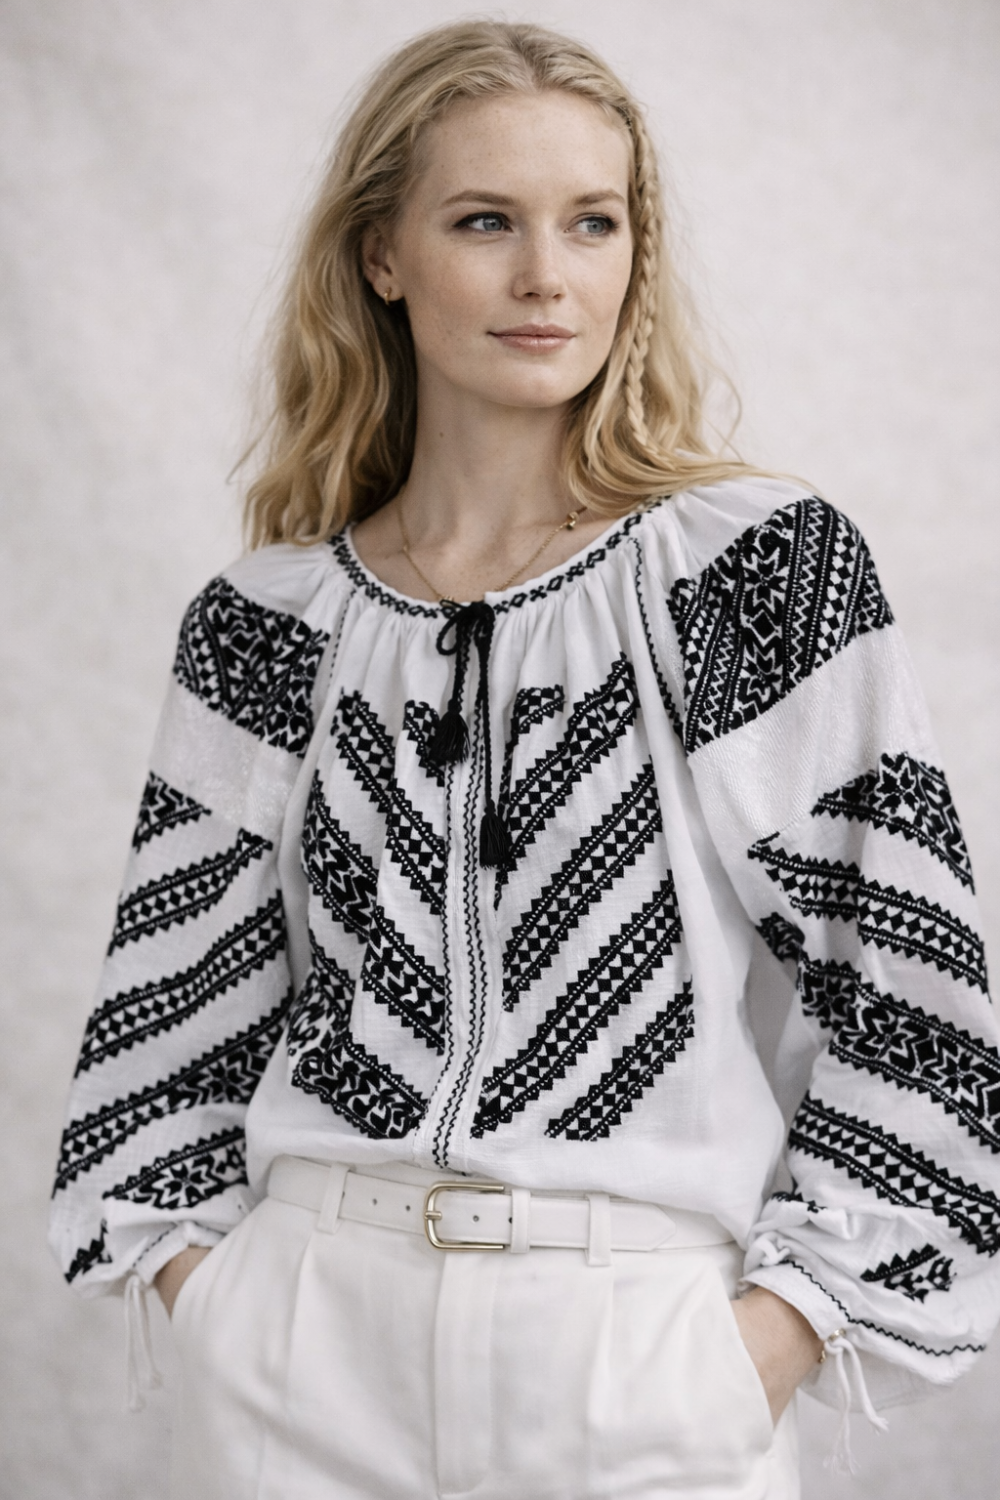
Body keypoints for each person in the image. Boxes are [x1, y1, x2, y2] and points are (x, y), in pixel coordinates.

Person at [49, 20, 1000, 1500]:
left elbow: (913, 993)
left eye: (593, 222)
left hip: (638, 1350)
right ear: (382, 255)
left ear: (638, 251)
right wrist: (215, 1303)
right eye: (485, 221)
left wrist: (771, 1336)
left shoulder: (751, 575)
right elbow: (167, 1025)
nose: (547, 275)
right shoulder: (263, 623)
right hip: (303, 1352)